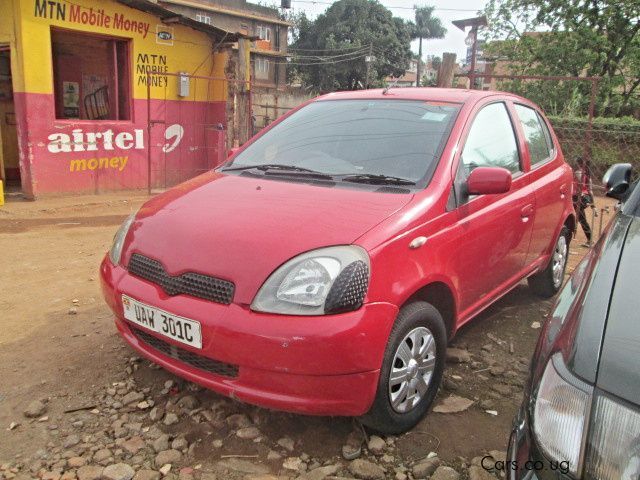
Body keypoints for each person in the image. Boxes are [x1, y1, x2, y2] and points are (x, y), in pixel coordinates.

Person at [573, 160, 594, 247]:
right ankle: (589, 239)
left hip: (579, 198)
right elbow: (590, 191)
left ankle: (590, 240)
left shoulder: (578, 172)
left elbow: (579, 186)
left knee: (581, 219)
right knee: (581, 218)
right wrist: (592, 204)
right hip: (586, 198)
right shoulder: (588, 175)